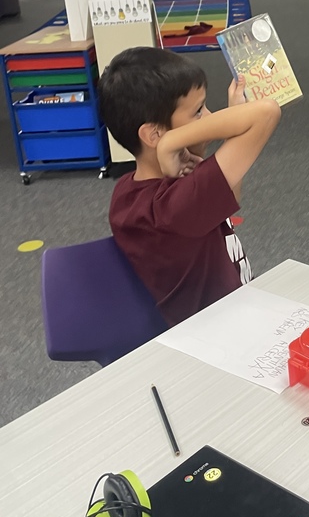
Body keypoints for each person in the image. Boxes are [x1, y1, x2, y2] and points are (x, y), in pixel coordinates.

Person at [98, 48, 281, 325]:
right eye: (198, 111)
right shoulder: (173, 205)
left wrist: (231, 118)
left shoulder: (131, 188)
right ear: (153, 134)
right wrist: (170, 143)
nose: (209, 116)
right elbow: (267, 112)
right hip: (224, 331)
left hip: (235, 315)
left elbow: (228, 198)